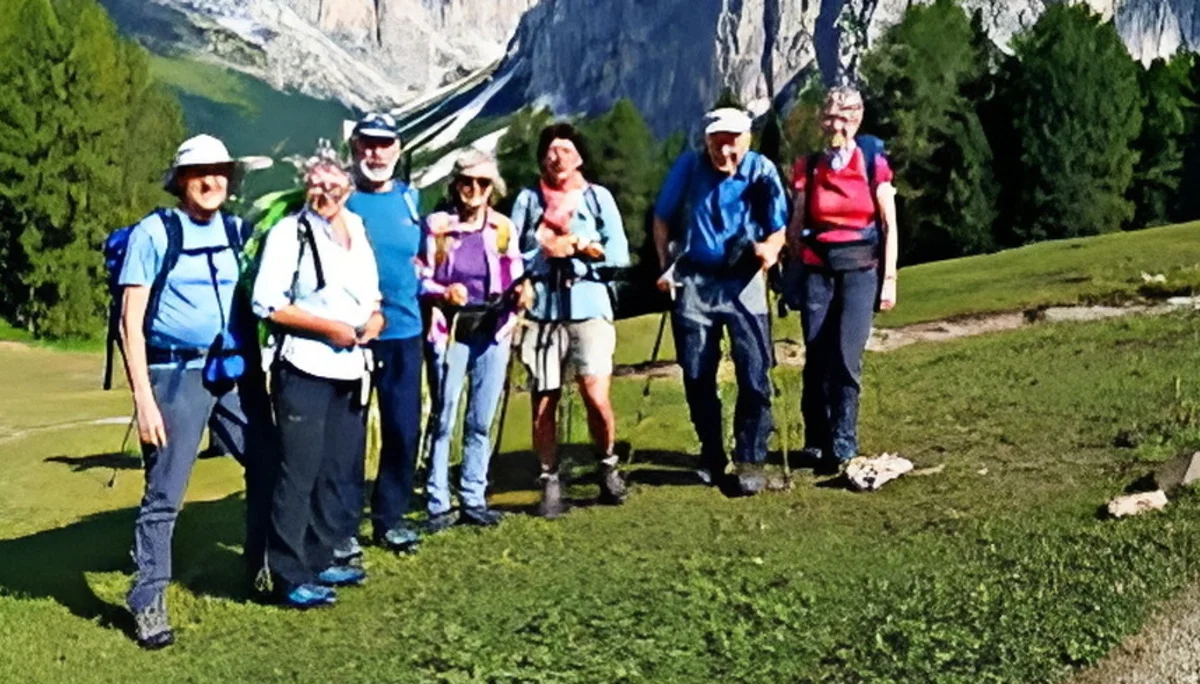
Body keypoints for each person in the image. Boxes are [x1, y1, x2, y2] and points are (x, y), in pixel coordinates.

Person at [118, 134, 273, 648]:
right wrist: (143, 400)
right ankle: (147, 601)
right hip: (174, 374)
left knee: (268, 464)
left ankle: (263, 566)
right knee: (165, 492)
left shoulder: (239, 231)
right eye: (200, 173)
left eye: (221, 172)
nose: (212, 181)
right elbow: (129, 321)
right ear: (181, 181)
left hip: (234, 370)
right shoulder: (153, 233)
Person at [252, 143, 384, 608]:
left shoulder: (358, 229)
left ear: (349, 187)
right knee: (299, 471)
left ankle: (319, 554)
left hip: (350, 368)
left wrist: (374, 320)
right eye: (316, 182)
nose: (325, 190)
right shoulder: (290, 234)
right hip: (304, 368)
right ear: (305, 187)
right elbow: (267, 302)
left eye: (333, 182)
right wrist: (329, 328)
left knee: (337, 469)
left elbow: (371, 294)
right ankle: (287, 574)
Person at [652, 108, 789, 496]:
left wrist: (769, 250)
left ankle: (750, 458)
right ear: (707, 139)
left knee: (754, 370)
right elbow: (661, 217)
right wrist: (664, 266)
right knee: (696, 373)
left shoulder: (761, 170)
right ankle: (712, 453)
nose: (724, 148)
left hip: (744, 278)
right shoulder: (690, 166)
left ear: (747, 139)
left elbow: (778, 228)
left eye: (732, 139)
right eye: (717, 139)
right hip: (694, 278)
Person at [512, 123, 631, 519]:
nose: (556, 156)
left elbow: (620, 255)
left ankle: (607, 463)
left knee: (595, 394)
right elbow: (511, 255)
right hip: (543, 310)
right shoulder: (529, 201)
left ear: (579, 157)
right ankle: (548, 478)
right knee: (545, 399)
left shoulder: (598, 198)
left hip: (589, 306)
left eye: (564, 149)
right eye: (550, 150)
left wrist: (582, 249)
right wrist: (543, 252)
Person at [783, 86, 899, 475]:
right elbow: (797, 221)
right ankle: (816, 440)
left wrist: (889, 279)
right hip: (817, 269)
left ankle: (844, 440)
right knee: (815, 355)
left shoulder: (873, 162)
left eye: (845, 117)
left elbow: (888, 222)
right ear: (821, 121)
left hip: (861, 270)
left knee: (847, 358)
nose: (837, 125)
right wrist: (791, 270)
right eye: (831, 117)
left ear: (858, 119)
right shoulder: (810, 165)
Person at [418, 152, 527, 531]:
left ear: (492, 189)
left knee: (481, 417)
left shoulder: (502, 228)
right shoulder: (437, 228)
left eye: (482, 184)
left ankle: (473, 496)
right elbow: (420, 276)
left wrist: (522, 293)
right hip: (450, 329)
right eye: (467, 182)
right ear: (455, 185)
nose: (474, 191)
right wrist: (443, 292)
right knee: (444, 414)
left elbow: (515, 271)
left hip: (493, 327)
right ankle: (437, 500)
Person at [343, 112, 426, 554]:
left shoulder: (413, 200)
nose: (376, 152)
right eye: (368, 144)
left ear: (398, 148)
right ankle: (341, 527)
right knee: (348, 436)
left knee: (403, 430)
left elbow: (430, 263)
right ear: (356, 148)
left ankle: (389, 519)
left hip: (405, 333)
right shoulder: (342, 201)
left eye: (385, 144)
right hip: (352, 336)